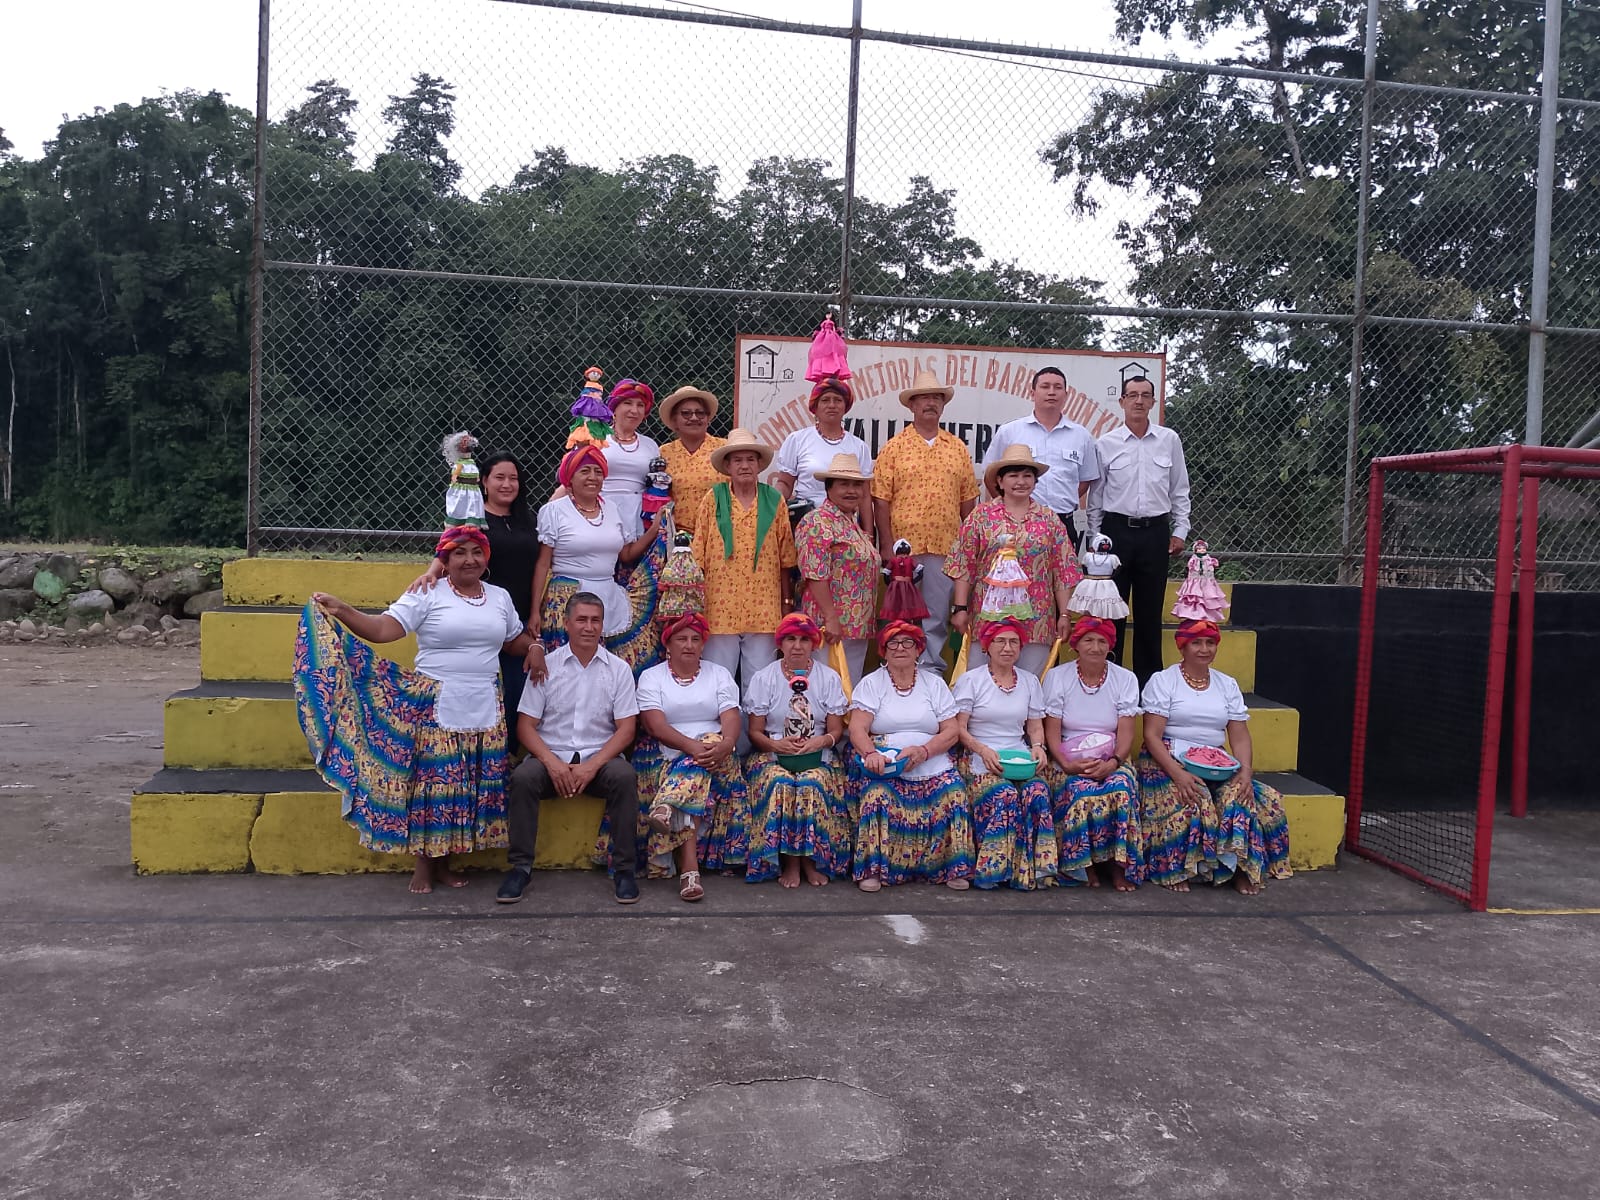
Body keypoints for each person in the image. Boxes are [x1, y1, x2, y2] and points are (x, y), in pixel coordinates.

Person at [296, 526, 542, 894]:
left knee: (465, 786)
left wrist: (534, 647)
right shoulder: (426, 592)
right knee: (436, 785)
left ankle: (445, 864)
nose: (470, 560)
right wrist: (343, 610)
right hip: (437, 705)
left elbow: (511, 640)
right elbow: (383, 630)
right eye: (459, 552)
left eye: (477, 552)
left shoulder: (499, 597)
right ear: (445, 559)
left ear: (486, 558)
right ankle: (424, 866)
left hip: (485, 705)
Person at [497, 592, 642, 905]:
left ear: (603, 625)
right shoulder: (546, 666)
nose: (589, 627)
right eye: (581, 620)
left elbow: (626, 730)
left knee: (624, 776)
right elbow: (525, 726)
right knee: (523, 778)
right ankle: (520, 868)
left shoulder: (618, 670)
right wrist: (552, 763)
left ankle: (625, 870)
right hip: (551, 760)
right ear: (566, 624)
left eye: (595, 620)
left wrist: (592, 766)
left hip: (599, 762)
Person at [1137, 619, 1291, 894]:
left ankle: (1239, 869)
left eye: (1210, 643)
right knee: (1194, 798)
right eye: (1196, 643)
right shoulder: (1163, 681)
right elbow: (1151, 736)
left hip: (1214, 762)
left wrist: (1245, 771)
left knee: (1244, 797)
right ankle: (1175, 869)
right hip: (1167, 759)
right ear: (1182, 647)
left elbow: (1239, 736)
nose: (1204, 649)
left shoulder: (1226, 684)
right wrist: (1178, 774)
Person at [409, 451, 543, 753]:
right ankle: (469, 752)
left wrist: (535, 611)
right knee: (481, 693)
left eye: (513, 478)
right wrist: (431, 573)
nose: (507, 484)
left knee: (518, 692)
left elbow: (539, 567)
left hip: (518, 619)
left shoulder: (528, 520)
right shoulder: (472, 517)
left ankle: (508, 755)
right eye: (499, 477)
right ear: (484, 481)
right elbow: (449, 547)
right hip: (480, 616)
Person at [846, 621, 975, 892]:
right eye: (893, 643)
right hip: (886, 762)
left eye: (908, 643)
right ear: (883, 651)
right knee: (877, 795)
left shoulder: (934, 684)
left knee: (954, 792)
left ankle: (952, 867)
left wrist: (924, 751)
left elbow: (951, 731)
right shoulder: (871, 684)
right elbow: (857, 728)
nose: (900, 648)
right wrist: (871, 753)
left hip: (930, 756)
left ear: (919, 650)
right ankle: (874, 869)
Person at [871, 367, 980, 671]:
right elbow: (881, 499)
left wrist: (969, 549)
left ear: (943, 405)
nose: (930, 403)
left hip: (945, 548)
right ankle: (896, 670)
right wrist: (887, 545)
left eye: (936, 398)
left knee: (935, 614)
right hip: (903, 549)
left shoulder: (957, 448)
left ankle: (929, 670)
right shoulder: (894, 447)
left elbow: (968, 501)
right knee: (900, 612)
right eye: (924, 398)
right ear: (912, 405)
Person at [1086, 374, 1192, 685]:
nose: (1139, 401)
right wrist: (1095, 537)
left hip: (1154, 533)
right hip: (1115, 532)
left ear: (1153, 402)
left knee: (1149, 612)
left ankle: (1149, 685)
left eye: (1145, 395)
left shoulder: (1169, 440)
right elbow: (1096, 496)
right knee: (1112, 609)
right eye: (1132, 395)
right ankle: (1110, 680)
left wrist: (1180, 530)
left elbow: (1179, 489)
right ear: (1121, 401)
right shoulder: (1106, 444)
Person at [637, 613, 750, 900]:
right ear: (668, 644)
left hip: (716, 754)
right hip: (668, 752)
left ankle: (667, 805)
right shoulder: (652, 677)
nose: (689, 645)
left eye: (695, 639)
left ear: (703, 645)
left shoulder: (718, 674)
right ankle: (690, 869)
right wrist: (692, 747)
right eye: (681, 639)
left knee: (704, 754)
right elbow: (655, 725)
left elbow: (730, 717)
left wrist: (727, 743)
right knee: (697, 769)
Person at [946, 444, 1080, 676]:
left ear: (1035, 481)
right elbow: (963, 563)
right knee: (981, 682)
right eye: (1013, 475)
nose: (1021, 482)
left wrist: (1065, 615)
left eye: (1027, 476)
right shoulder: (981, 516)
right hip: (988, 617)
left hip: (1037, 620)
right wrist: (960, 608)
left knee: (1030, 683)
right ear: (1000, 481)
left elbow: (1063, 571)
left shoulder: (1049, 520)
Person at [531, 444, 666, 669]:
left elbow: (626, 554)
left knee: (609, 667)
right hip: (567, 597)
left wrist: (654, 529)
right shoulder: (554, 510)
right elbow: (543, 564)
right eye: (584, 471)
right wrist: (535, 611)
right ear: (570, 477)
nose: (592, 477)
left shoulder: (611, 509)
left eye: (598, 472)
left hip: (608, 595)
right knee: (571, 667)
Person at [743, 613, 852, 887]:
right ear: (780, 644)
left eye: (804, 640)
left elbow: (836, 731)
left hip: (818, 753)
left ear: (814, 644)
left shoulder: (828, 678)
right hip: (773, 753)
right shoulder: (764, 678)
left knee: (810, 783)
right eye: (790, 639)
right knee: (780, 782)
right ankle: (790, 862)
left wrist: (820, 741)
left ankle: (810, 862)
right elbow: (754, 732)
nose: (797, 646)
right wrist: (774, 744)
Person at [951, 618, 1058, 890]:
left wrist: (1038, 747)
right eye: (1000, 641)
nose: (1007, 648)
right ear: (987, 646)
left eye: (1013, 642)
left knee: (1037, 792)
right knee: (1004, 794)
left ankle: (1034, 870)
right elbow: (958, 729)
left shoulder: (1030, 681)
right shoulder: (971, 680)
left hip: (1018, 757)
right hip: (979, 757)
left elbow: (1034, 726)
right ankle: (993, 871)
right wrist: (982, 749)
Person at [1043, 616, 1143, 891]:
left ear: (1110, 646)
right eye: (1088, 640)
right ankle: (1083, 864)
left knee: (1121, 789)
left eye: (1102, 641)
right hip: (1068, 756)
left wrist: (1114, 762)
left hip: (1112, 756)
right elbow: (1052, 730)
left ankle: (1116, 864)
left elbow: (1126, 732)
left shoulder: (1125, 679)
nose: (1095, 647)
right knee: (1079, 791)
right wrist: (1066, 765)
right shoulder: (1057, 677)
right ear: (1076, 645)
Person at [692, 428, 797, 686]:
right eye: (737, 460)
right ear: (727, 466)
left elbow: (786, 558)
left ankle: (755, 717)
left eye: (750, 459)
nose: (744, 465)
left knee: (760, 681)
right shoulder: (713, 499)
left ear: (759, 465)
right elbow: (698, 555)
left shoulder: (774, 500)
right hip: (719, 605)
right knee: (718, 679)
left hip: (764, 606)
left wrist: (786, 603)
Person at [980, 366, 1100, 549]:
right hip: (1017, 522)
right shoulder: (1010, 432)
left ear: (1066, 395)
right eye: (1045, 386)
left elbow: (1085, 479)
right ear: (1032, 393)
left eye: (1057, 387)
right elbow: (991, 474)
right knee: (1013, 567)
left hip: (1063, 522)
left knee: (1064, 568)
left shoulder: (1081, 436)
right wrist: (1009, 505)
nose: (1051, 392)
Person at [794, 453, 879, 684]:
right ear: (829, 488)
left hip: (857, 626)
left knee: (848, 689)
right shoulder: (817, 522)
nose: (851, 491)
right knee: (826, 687)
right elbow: (814, 574)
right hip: (829, 626)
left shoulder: (852, 523)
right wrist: (831, 617)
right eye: (844, 484)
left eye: (856, 485)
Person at [773, 375, 874, 541]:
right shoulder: (798, 440)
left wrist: (868, 536)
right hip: (806, 524)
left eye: (838, 400)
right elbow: (785, 483)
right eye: (825, 400)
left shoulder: (859, 446)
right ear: (815, 407)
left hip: (847, 526)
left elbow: (864, 496)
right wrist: (771, 508)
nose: (832, 405)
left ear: (845, 406)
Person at [553, 379, 660, 535]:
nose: (634, 410)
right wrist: (552, 507)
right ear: (614, 408)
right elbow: (572, 477)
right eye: (628, 403)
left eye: (640, 405)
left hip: (639, 516)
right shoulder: (595, 438)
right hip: (599, 510)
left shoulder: (651, 446)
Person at [657, 386, 726, 535]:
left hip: (720, 533)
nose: (694, 418)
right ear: (674, 420)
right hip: (678, 535)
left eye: (700, 413)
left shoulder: (724, 449)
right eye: (686, 413)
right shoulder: (663, 453)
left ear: (707, 418)